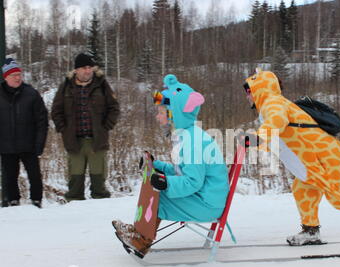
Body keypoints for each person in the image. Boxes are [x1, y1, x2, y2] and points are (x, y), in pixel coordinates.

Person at [242, 69, 340, 246]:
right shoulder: (273, 105)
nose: (247, 96)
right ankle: (311, 231)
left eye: (249, 91)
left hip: (326, 157)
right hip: (313, 161)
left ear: (260, 88)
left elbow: (277, 122)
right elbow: (283, 136)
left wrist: (258, 137)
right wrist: (255, 142)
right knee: (302, 190)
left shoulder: (273, 103)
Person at [113, 74, 230, 256]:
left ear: (174, 113)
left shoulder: (192, 141)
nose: (157, 115)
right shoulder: (187, 135)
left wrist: (165, 183)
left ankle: (141, 240)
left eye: (161, 111)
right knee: (154, 191)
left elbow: (192, 182)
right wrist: (157, 166)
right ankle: (138, 234)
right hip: (203, 197)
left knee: (157, 197)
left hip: (207, 203)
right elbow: (181, 171)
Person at [51, 53, 120, 202]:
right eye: (84, 68)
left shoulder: (101, 84)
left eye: (90, 67)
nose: (88, 71)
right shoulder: (66, 86)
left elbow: (114, 107)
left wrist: (106, 127)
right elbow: (56, 110)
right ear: (76, 70)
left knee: (99, 183)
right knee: (75, 185)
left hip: (97, 142)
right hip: (75, 142)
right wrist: (63, 129)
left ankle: (100, 214)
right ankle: (76, 215)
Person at [0, 58, 48, 208]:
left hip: (29, 145)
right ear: (5, 77)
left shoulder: (31, 94)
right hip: (6, 146)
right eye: (13, 75)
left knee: (34, 176)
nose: (17, 77)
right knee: (9, 177)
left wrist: (39, 144)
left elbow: (42, 121)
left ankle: (36, 202)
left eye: (19, 74)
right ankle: (13, 202)